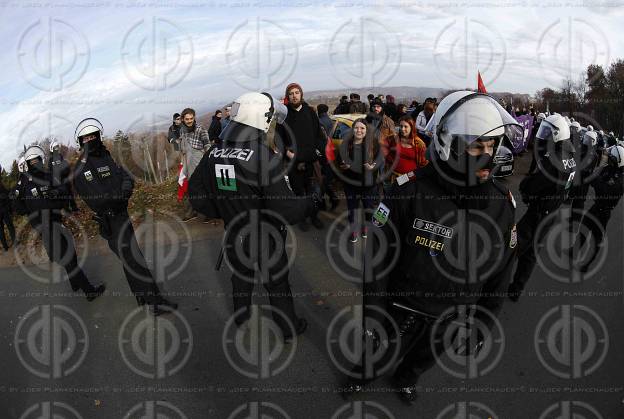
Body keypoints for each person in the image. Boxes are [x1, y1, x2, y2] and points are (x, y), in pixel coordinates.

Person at [342, 91, 520, 404]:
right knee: (379, 352)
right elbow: (378, 257)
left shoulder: (501, 204)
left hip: (453, 313)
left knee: (425, 357)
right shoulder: (409, 190)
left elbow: (502, 271)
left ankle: (406, 378)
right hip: (404, 307)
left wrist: (484, 322)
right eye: (477, 145)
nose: (487, 156)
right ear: (449, 144)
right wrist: (373, 311)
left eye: (492, 145)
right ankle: (361, 377)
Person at [188, 91, 309, 340]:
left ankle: (241, 316)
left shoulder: (214, 152)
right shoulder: (264, 157)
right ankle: (288, 328)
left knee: (241, 275)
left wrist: (224, 211)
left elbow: (196, 194)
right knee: (276, 282)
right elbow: (287, 210)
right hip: (265, 234)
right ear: (259, 119)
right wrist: (311, 201)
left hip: (234, 230)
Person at [71, 119, 177, 315]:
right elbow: (98, 200)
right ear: (80, 141)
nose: (91, 139)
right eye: (86, 137)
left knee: (130, 260)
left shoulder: (106, 155)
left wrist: (125, 190)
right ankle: (156, 302)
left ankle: (140, 296)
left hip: (122, 215)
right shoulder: (82, 167)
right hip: (111, 221)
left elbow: (125, 175)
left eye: (93, 136)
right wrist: (120, 195)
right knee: (135, 261)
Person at [12, 145, 105, 300]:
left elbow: (62, 189)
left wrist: (57, 193)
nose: (35, 163)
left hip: (56, 220)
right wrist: (23, 205)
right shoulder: (22, 185)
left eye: (37, 160)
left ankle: (75, 283)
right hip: (44, 226)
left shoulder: (47, 176)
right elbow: (18, 207)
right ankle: (89, 291)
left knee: (70, 252)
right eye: (31, 161)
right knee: (67, 256)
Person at [507, 114, 577, 301]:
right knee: (531, 253)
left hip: (537, 213)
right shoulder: (570, 155)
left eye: (548, 132)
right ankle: (517, 289)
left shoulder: (554, 159)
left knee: (511, 248)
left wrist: (527, 187)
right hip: (551, 212)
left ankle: (493, 285)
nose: (543, 134)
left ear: (558, 134)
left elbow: (530, 187)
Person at [277, 82, 325, 231]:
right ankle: (302, 218)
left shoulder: (310, 111)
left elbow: (319, 134)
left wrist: (318, 150)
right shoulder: (284, 114)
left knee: (313, 192)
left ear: (301, 94)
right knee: (298, 192)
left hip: (310, 159)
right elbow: (279, 138)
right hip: (293, 160)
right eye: (291, 93)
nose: (294, 96)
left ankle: (314, 216)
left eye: (297, 92)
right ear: (287, 96)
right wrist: (286, 151)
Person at [572, 145, 624, 272]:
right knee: (583, 228)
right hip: (596, 207)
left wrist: (595, 179)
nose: (609, 160)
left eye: (611, 158)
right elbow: (597, 175)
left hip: (604, 213)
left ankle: (588, 263)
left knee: (597, 239)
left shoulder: (621, 180)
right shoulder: (610, 169)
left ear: (619, 160)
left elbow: (603, 190)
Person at [337, 119, 384, 242]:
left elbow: (380, 160)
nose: (359, 130)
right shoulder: (345, 144)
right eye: (356, 128)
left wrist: (373, 166)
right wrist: (343, 165)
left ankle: (366, 228)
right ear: (352, 129)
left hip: (368, 184)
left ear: (366, 130)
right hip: (351, 183)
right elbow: (339, 160)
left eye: (362, 128)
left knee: (368, 208)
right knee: (352, 209)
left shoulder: (373, 143)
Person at [179, 107, 211, 221]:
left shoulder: (200, 129)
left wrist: (208, 159)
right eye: (187, 119)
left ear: (194, 118)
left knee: (201, 187)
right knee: (188, 187)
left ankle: (206, 213)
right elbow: (182, 147)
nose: (189, 121)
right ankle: (191, 212)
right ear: (183, 119)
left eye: (191, 118)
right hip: (187, 161)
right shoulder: (182, 130)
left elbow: (207, 144)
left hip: (199, 161)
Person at [383, 116, 428, 184]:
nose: (402, 129)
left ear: (411, 127)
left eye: (405, 126)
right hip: (391, 176)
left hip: (409, 179)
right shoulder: (393, 138)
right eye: (401, 126)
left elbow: (423, 165)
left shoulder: (419, 144)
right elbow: (383, 149)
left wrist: (405, 178)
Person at [49, 141, 79, 212]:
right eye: (54, 148)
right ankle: (67, 209)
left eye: (57, 147)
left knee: (70, 193)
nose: (56, 149)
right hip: (58, 181)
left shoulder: (61, 157)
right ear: (52, 149)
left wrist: (66, 171)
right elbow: (52, 172)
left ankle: (74, 208)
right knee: (63, 195)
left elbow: (66, 167)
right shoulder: (51, 160)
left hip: (66, 179)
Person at [0, 180, 16, 252]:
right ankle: (14, 242)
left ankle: (5, 247)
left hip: (4, 208)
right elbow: (7, 195)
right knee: (10, 226)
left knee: (1, 230)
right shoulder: (1, 185)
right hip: (4, 209)